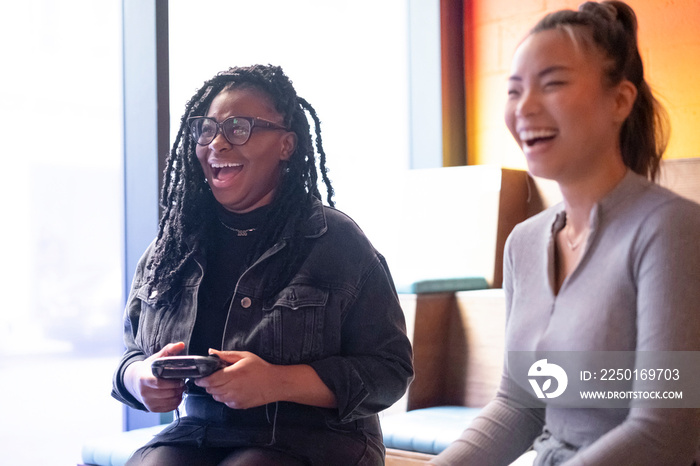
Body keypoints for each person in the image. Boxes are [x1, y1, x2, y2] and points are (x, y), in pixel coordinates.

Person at [431, 2, 700, 465]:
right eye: (514, 91)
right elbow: (521, 404)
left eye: (553, 83)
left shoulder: (669, 229)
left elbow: (665, 429)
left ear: (620, 100)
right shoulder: (523, 243)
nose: (526, 107)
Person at [111, 64, 414, 466]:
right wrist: (141, 378)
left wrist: (277, 382)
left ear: (286, 145)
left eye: (238, 127)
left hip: (320, 437)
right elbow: (132, 355)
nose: (217, 143)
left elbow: (389, 371)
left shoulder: (337, 242)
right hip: (201, 433)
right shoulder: (173, 248)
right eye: (206, 129)